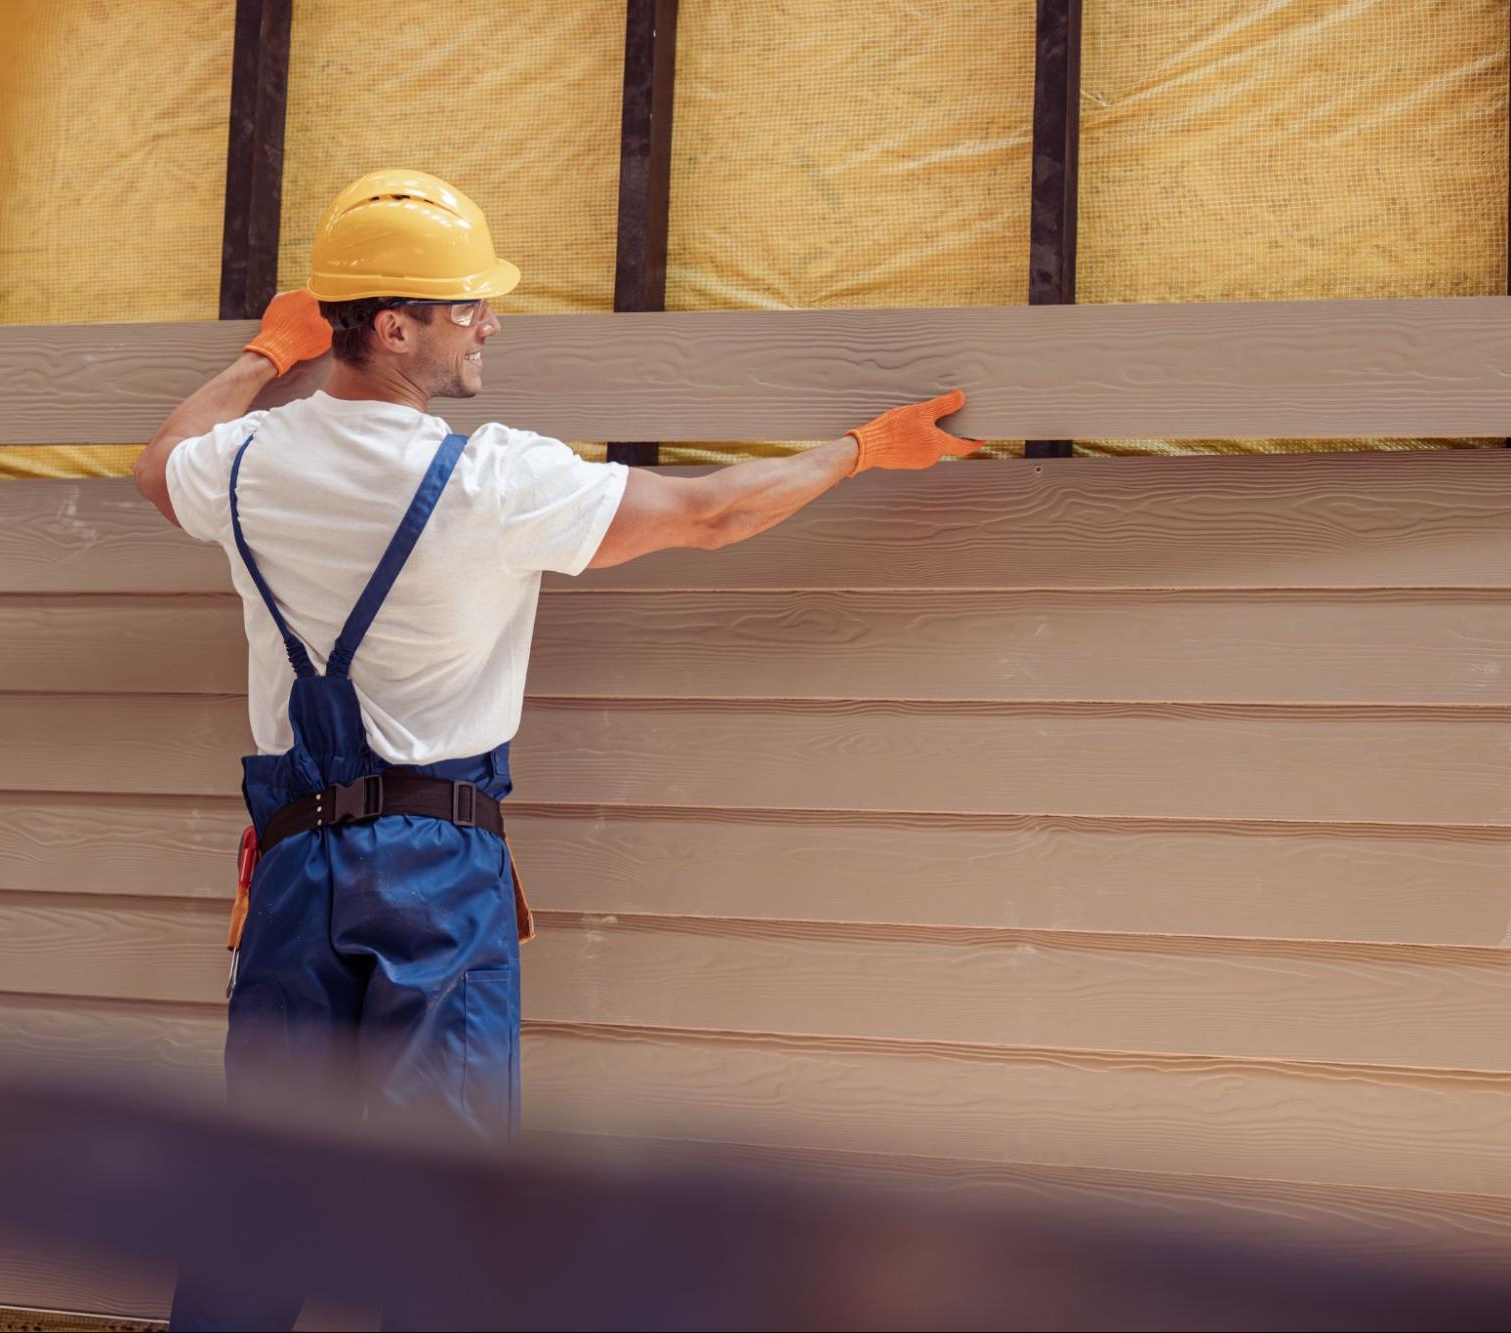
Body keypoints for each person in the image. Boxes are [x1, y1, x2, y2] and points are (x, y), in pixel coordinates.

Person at [133, 168, 976, 1329]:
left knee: (260, 1205)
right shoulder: (491, 480)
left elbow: (154, 462)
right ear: (392, 326)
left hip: (289, 871)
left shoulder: (244, 463)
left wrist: (264, 357)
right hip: (432, 869)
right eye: (466, 304)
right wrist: (859, 450)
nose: (489, 322)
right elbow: (712, 513)